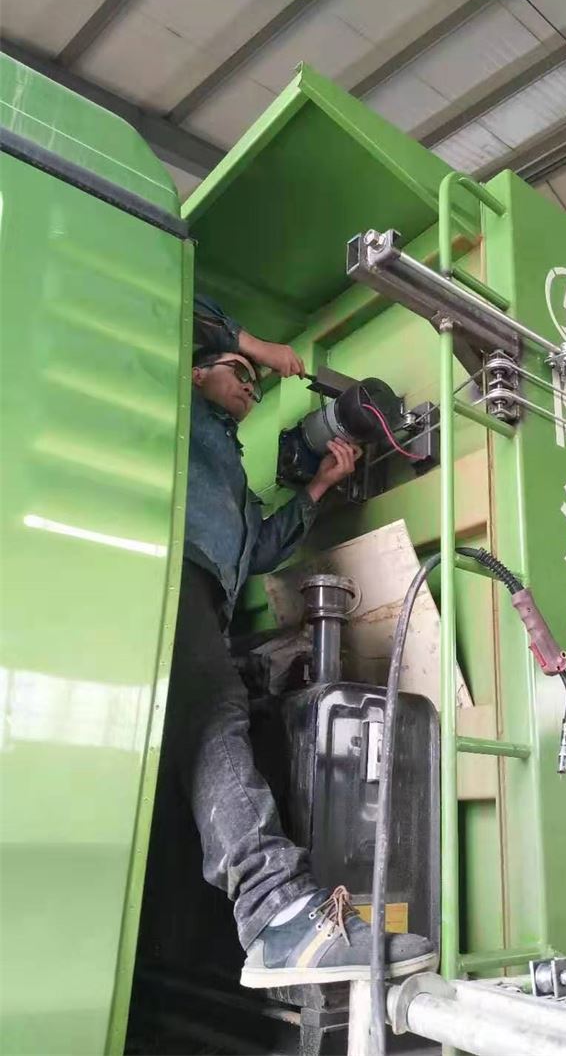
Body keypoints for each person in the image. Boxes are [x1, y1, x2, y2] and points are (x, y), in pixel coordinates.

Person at [161, 296, 436, 988]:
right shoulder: (172, 405)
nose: (251, 387)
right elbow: (176, 300)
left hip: (205, 598)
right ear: (195, 373)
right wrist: (259, 344)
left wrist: (320, 485)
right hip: (164, 573)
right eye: (239, 372)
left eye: (256, 383)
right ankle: (276, 911)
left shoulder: (227, 463)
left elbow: (257, 550)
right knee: (216, 713)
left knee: (196, 734)